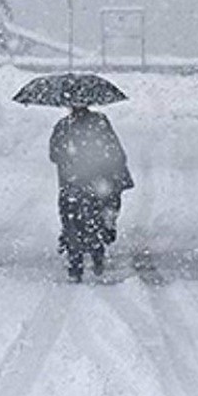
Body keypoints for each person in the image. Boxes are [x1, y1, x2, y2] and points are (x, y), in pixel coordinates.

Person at [49, 104, 133, 282]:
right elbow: (114, 150)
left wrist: (70, 157)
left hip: (72, 184)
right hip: (97, 182)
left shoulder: (63, 126)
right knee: (95, 219)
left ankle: (75, 264)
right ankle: (97, 255)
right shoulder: (100, 123)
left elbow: (54, 155)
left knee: (72, 221)